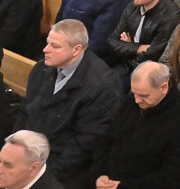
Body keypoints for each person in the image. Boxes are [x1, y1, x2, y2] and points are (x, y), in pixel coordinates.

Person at [18, 20, 122, 189]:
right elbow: (25, 113)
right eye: (47, 43)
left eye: (55, 46)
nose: (45, 49)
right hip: (33, 155)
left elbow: (84, 145)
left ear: (76, 50)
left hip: (66, 168)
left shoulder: (102, 87)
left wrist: (40, 175)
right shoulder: (41, 69)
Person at [94, 61, 180, 189]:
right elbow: (107, 140)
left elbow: (174, 178)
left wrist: (123, 187)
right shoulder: (133, 101)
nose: (137, 100)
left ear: (163, 87)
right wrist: (100, 174)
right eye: (134, 93)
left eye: (143, 95)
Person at [106, 0, 179, 76]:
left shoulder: (170, 17)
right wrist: (139, 47)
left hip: (147, 72)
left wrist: (128, 46)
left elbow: (152, 56)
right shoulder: (134, 5)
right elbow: (112, 42)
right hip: (124, 64)